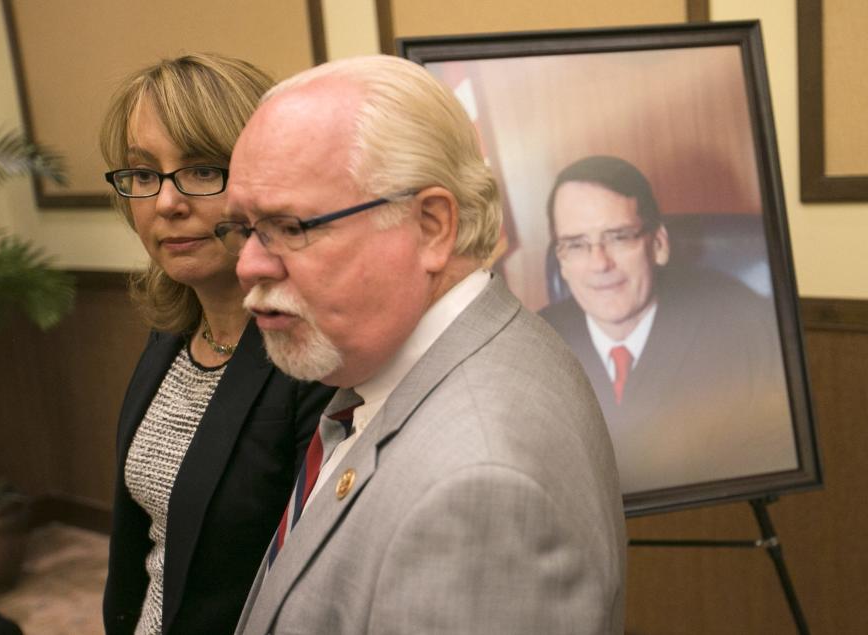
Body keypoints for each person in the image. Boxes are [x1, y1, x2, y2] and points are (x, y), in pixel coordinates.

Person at [213, 55, 627, 634]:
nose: (249, 264)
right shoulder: (467, 341)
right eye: (243, 229)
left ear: (431, 225)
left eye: (292, 227)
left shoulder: (479, 490)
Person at [98, 54, 334, 635]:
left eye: (203, 169)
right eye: (144, 174)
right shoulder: (173, 331)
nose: (166, 203)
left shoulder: (313, 360)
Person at [539, 155, 798, 493]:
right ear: (562, 262)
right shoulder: (535, 344)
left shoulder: (745, 326)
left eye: (619, 237)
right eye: (576, 245)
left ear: (658, 245)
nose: (599, 263)